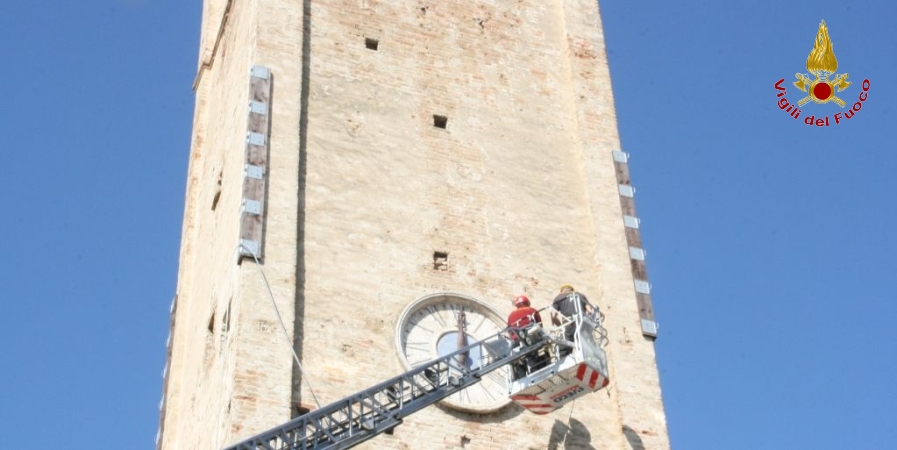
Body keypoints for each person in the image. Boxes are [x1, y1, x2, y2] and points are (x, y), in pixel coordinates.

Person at [550, 284, 593, 356]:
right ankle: (590, 358)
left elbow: (553, 315)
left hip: (568, 323)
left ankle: (564, 360)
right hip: (582, 321)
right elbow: (590, 311)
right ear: (572, 290)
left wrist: (560, 326)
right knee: (586, 342)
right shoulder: (580, 295)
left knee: (565, 345)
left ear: (562, 291)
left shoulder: (559, 297)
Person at [507, 295, 542, 379]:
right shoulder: (531, 310)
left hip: (516, 340)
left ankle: (521, 376)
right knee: (532, 354)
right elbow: (540, 324)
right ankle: (535, 371)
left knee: (519, 359)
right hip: (529, 337)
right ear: (527, 303)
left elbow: (509, 330)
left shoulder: (511, 315)